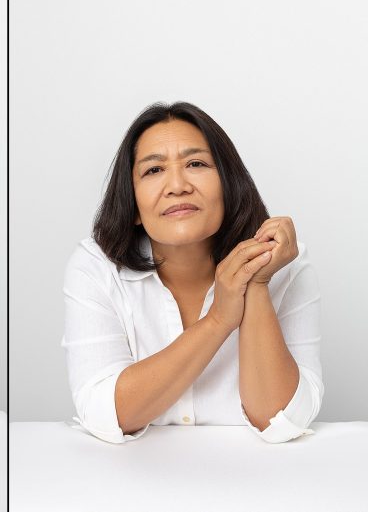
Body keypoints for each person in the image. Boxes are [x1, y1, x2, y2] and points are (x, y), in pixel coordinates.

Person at [63, 102, 323, 444]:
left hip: (256, 482)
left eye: (196, 164)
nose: (177, 185)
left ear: (228, 185)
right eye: (153, 170)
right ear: (134, 205)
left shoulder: (285, 262)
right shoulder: (96, 267)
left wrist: (256, 282)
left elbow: (281, 420)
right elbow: (104, 413)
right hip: (131, 484)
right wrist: (218, 321)